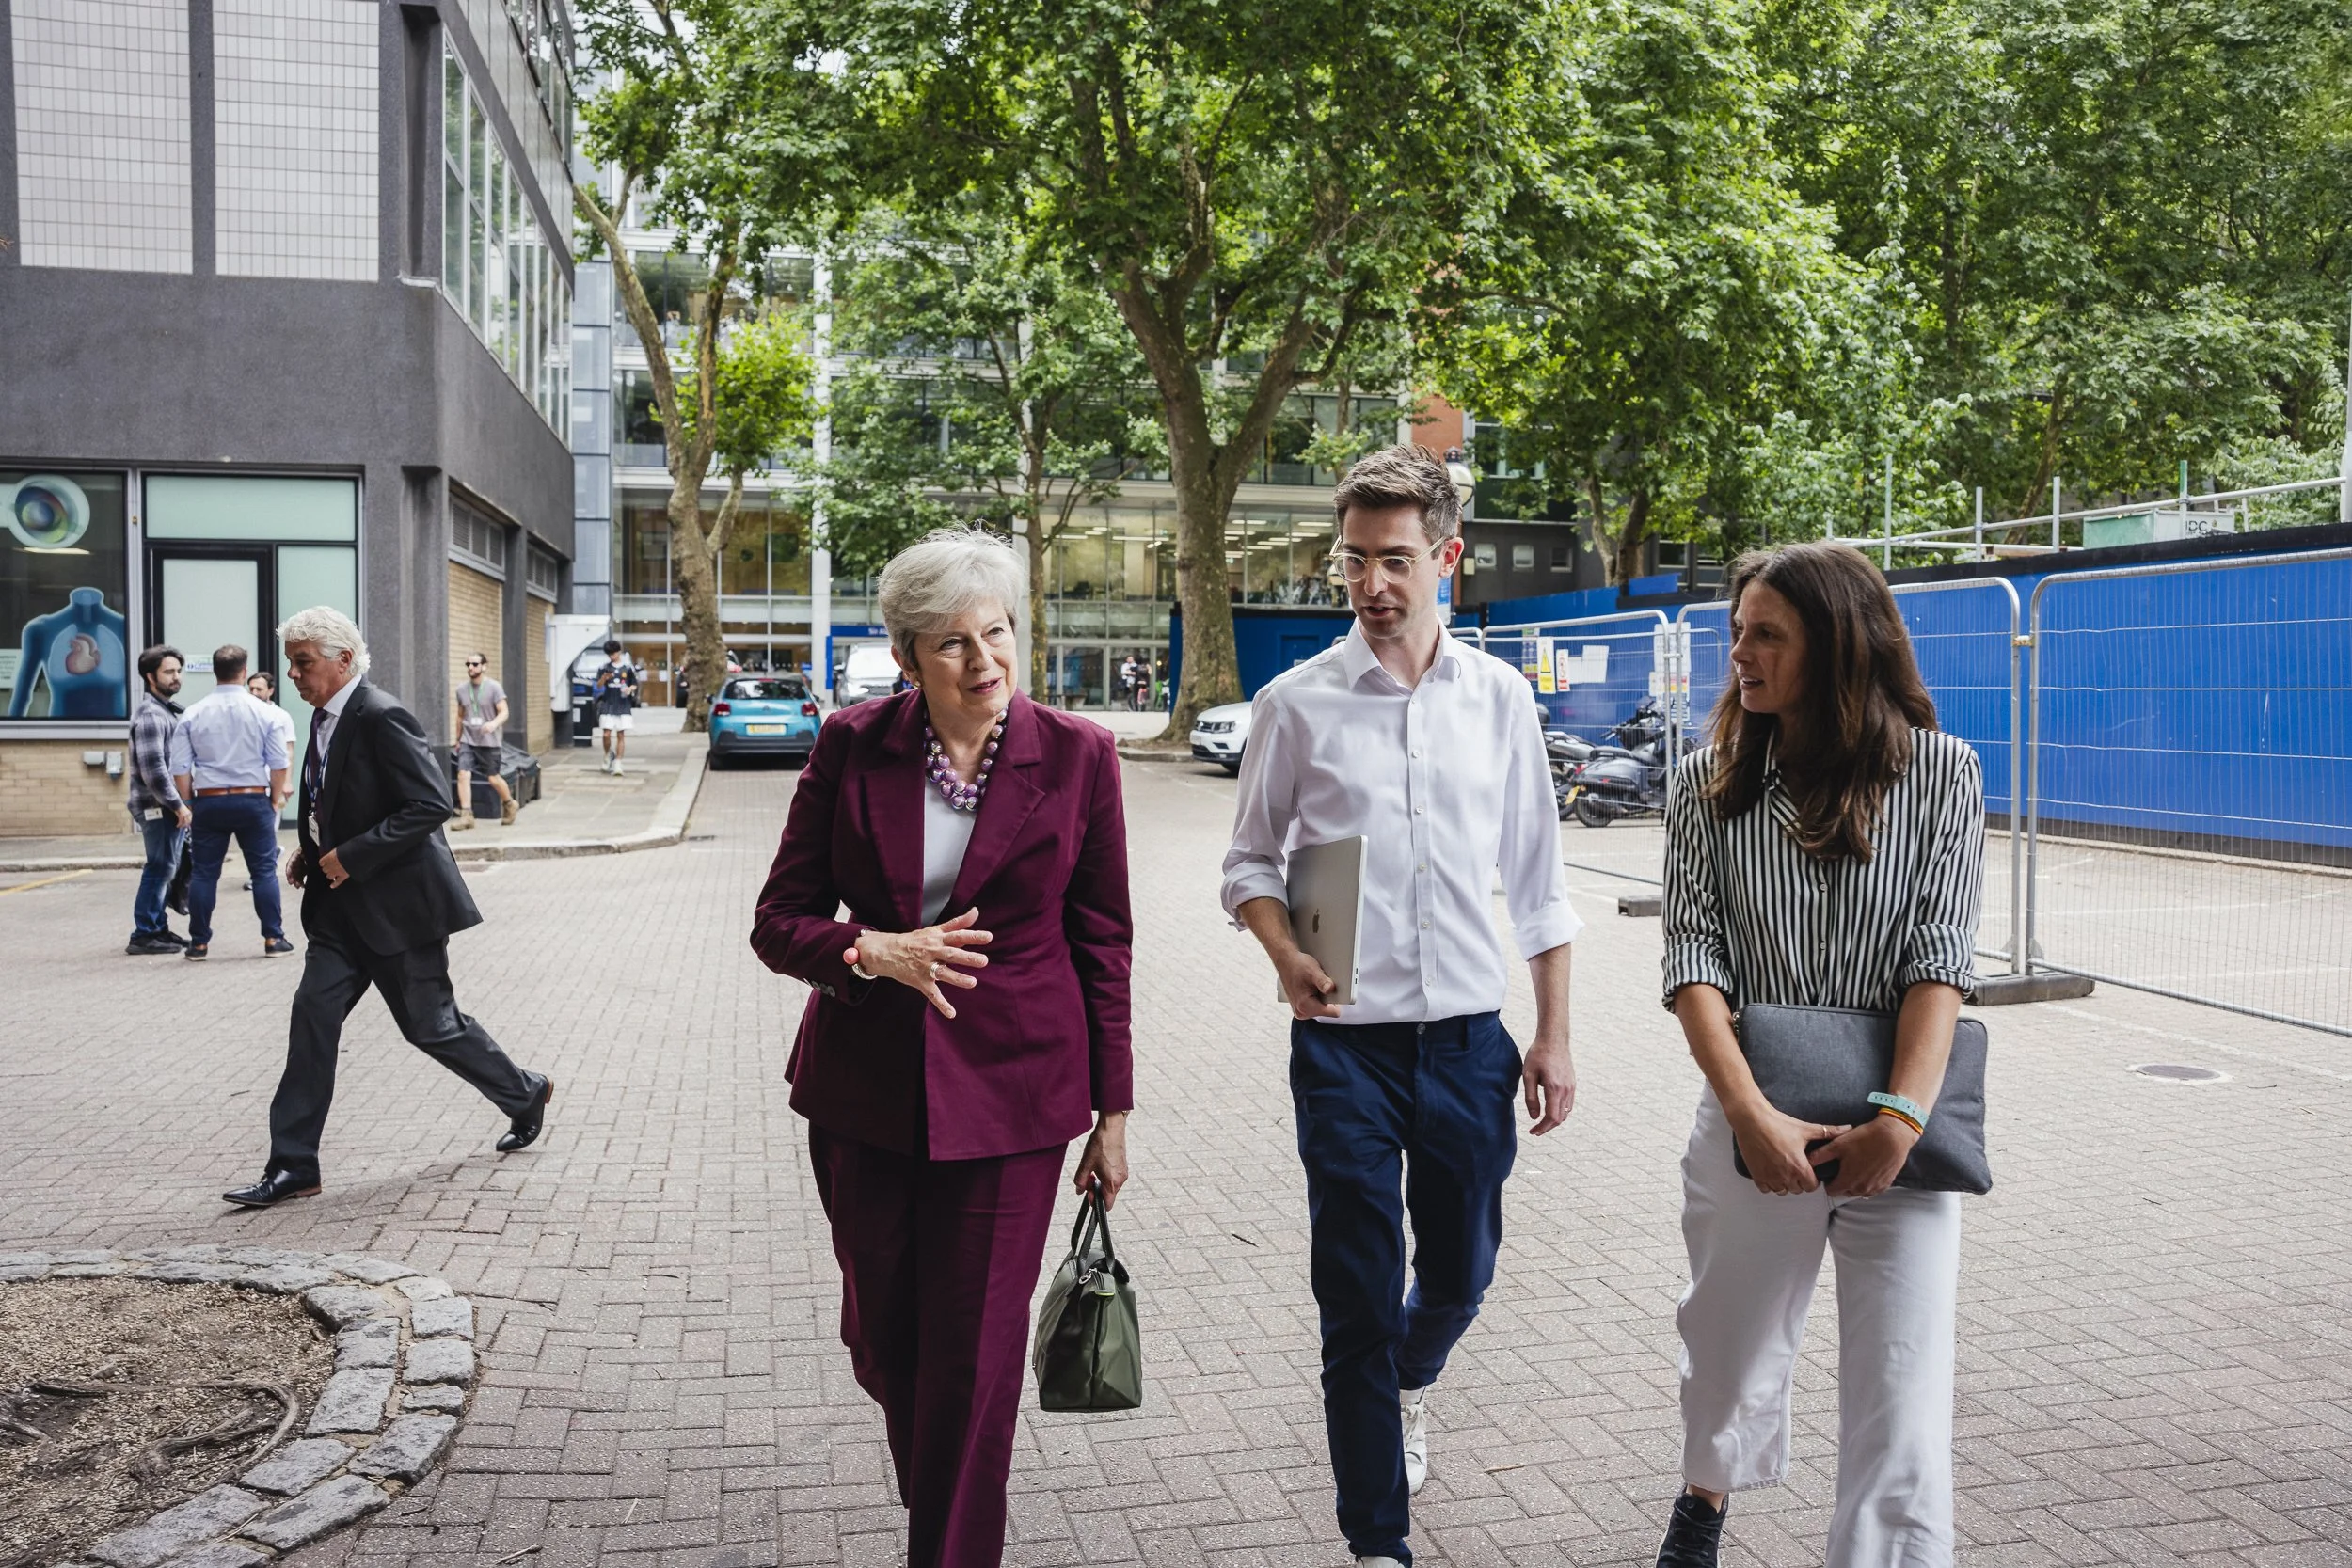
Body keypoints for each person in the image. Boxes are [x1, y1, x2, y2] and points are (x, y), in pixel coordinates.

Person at [1221, 445, 1581, 1568]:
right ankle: (1377, 1538)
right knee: (1357, 1294)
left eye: (1395, 560)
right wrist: (1283, 953)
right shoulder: (1296, 705)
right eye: (1353, 560)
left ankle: (1412, 1379)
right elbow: (1248, 867)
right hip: (1344, 1054)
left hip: (1472, 1043)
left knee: (1462, 1271)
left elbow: (1538, 881)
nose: (1372, 583)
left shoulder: (1500, 700)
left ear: (1447, 559)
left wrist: (1553, 1033)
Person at [750, 527, 1133, 1568]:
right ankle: (949, 1501)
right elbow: (778, 919)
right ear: (908, 655)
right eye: (953, 642)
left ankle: (952, 1545)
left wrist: (1114, 1112)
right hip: (863, 1093)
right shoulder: (851, 744)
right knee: (886, 1343)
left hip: (1014, 1101)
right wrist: (869, 948)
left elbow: (1103, 939)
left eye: (998, 631)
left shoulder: (1079, 753)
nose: (984, 660)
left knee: (971, 1365)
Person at [1651, 542, 1984, 1568]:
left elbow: (1941, 958)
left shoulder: (1942, 773)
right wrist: (1748, 1114)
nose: (1739, 654)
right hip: (1756, 1112)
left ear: (1837, 646)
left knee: (1901, 1377)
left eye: (1765, 634)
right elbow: (1692, 957)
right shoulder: (1707, 786)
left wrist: (1898, 1119)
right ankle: (1702, 1499)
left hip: (1901, 1127)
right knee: (1729, 1343)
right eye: (1735, 631)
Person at [221, 607, 553, 1209]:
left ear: (342, 659)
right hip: (339, 916)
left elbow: (429, 804)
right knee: (311, 1020)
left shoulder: (380, 714)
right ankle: (294, 1165)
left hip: (401, 912)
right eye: (291, 663)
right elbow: (340, 800)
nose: (293, 675)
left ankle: (523, 1091)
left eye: (303, 662)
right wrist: (313, 849)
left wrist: (352, 856)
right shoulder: (323, 719)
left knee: (432, 1027)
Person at [168, 645, 292, 962]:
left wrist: (188, 803)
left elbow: (180, 769)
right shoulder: (266, 713)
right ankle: (273, 938)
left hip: (209, 801)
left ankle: (198, 944)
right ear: (243, 670)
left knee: (205, 873)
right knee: (264, 871)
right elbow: (279, 763)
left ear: (215, 671)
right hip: (253, 798)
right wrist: (275, 799)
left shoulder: (193, 714)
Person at [126, 644, 191, 955]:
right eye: (169, 672)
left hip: (166, 806)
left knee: (167, 866)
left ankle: (157, 927)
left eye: (178, 671)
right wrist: (177, 804)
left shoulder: (166, 709)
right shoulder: (152, 715)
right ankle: (144, 933)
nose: (176, 677)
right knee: (159, 867)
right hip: (157, 807)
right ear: (150, 676)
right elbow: (154, 770)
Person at [451, 652, 516, 829]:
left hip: (489, 741)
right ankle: (467, 816)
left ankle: (510, 803)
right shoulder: (461, 690)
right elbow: (459, 716)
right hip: (468, 739)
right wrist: (458, 739)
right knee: (463, 774)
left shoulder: (494, 688)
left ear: (484, 666)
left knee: (493, 778)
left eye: (475, 664)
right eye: (468, 664)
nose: (471, 668)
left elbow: (504, 712)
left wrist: (493, 724)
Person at [592, 640, 637, 775]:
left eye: (613, 654)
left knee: (620, 734)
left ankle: (618, 763)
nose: (611, 657)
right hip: (608, 702)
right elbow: (598, 686)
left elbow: (634, 684)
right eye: (609, 654)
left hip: (622, 703)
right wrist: (604, 678)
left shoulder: (627, 668)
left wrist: (630, 689)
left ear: (619, 652)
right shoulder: (604, 668)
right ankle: (607, 755)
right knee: (606, 734)